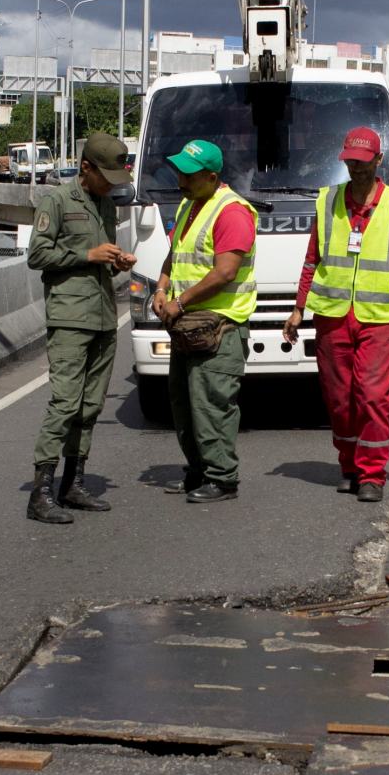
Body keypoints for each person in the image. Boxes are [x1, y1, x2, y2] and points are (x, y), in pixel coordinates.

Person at [282, 127, 389, 503]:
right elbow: (312, 259)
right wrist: (299, 307)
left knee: (372, 395)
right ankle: (349, 466)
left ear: (379, 161)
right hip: (332, 315)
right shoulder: (328, 201)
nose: (356, 169)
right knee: (339, 398)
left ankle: (372, 474)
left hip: (380, 317)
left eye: (363, 162)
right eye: (351, 161)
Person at [26, 132, 136, 524]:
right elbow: (37, 254)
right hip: (70, 316)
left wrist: (115, 260)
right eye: (105, 176)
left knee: (90, 406)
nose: (111, 185)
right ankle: (41, 491)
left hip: (104, 314)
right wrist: (87, 254)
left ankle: (72, 483)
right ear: (85, 167)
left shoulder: (104, 203)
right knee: (66, 402)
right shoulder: (57, 201)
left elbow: (98, 254)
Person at [152, 140, 257, 503]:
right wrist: (161, 288)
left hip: (219, 327)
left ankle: (223, 478)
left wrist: (179, 301)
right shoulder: (190, 204)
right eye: (179, 171)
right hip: (188, 325)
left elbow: (225, 271)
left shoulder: (232, 211)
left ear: (212, 177)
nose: (181, 179)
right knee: (184, 404)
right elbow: (175, 254)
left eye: (189, 175)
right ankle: (198, 470)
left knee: (212, 404)